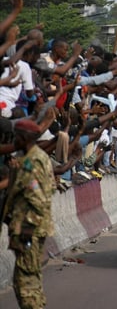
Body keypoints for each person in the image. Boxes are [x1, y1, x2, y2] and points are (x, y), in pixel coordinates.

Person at [1, 119, 56, 308]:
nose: (14, 140)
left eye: (17, 136)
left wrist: (26, 229)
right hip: (29, 227)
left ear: (24, 138)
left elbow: (38, 199)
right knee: (28, 277)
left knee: (26, 282)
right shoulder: (34, 158)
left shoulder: (32, 162)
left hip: (29, 230)